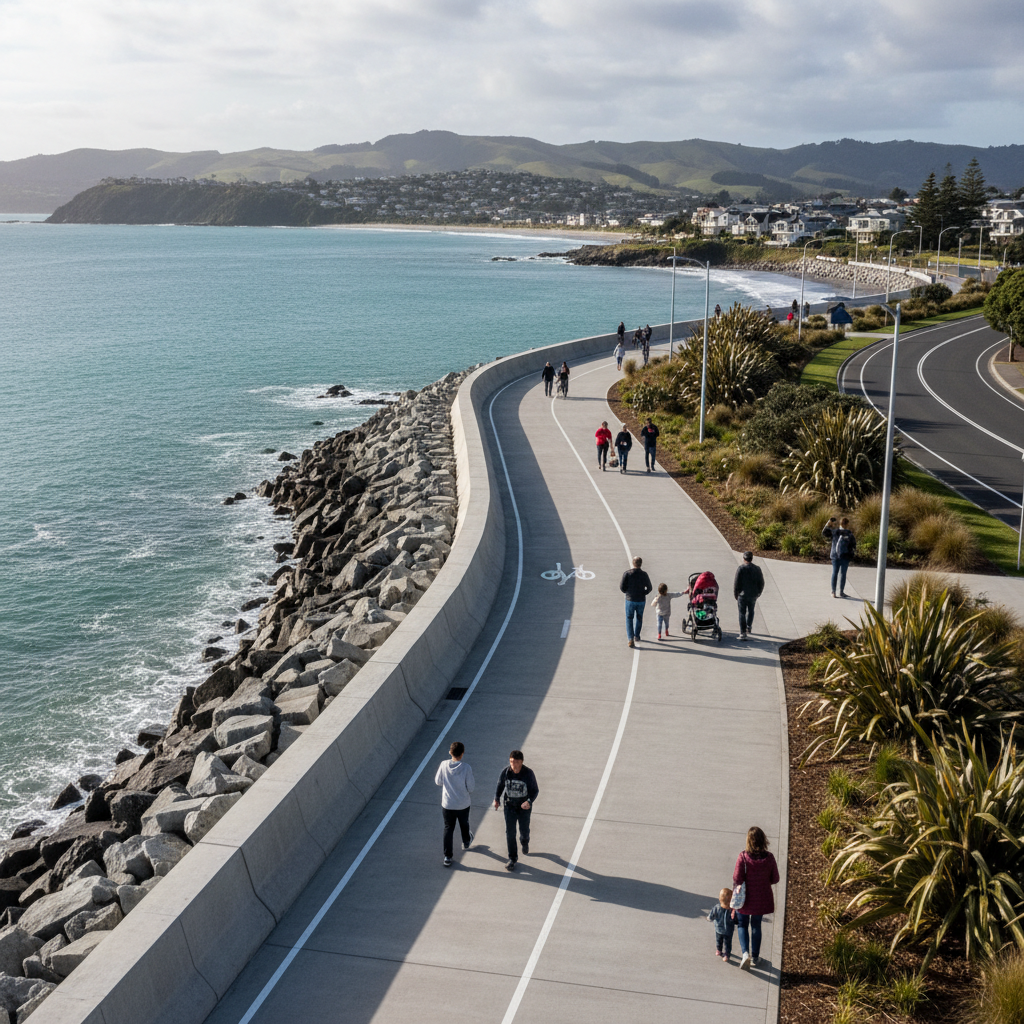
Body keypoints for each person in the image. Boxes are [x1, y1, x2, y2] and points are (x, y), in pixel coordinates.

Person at [733, 826, 780, 970]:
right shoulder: (769, 858)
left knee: (742, 924)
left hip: (745, 898)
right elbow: (775, 878)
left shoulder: (743, 857)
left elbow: (737, 878)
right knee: (756, 925)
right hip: (761, 898)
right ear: (763, 840)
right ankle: (755, 957)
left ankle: (745, 954)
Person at [493, 749, 539, 872]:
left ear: (522, 762)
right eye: (511, 761)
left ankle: (525, 841)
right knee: (510, 833)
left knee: (523, 831)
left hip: (523, 808)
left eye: (516, 762)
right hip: (509, 807)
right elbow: (500, 785)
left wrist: (529, 802)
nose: (513, 764)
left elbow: (535, 790)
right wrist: (496, 798)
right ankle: (512, 859)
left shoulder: (528, 773)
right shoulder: (506, 772)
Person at [434, 741, 475, 867]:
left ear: (450, 752)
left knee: (448, 828)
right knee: (464, 823)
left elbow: (438, 781)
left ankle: (447, 856)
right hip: (463, 804)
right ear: (462, 754)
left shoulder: (443, 764)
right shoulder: (466, 768)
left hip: (447, 804)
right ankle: (466, 841)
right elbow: (471, 788)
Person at [620, 555, 653, 648]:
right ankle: (637, 635)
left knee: (629, 618)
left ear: (633, 563)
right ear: (641, 564)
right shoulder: (644, 574)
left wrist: (628, 592)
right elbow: (649, 587)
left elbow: (622, 587)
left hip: (630, 599)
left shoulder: (627, 574)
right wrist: (643, 593)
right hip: (641, 600)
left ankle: (630, 639)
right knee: (639, 617)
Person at [822, 516, 856, 598]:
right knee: (843, 574)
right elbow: (853, 545)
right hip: (845, 556)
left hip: (835, 555)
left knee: (835, 573)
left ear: (840, 523)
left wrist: (828, 523)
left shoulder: (835, 532)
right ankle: (841, 592)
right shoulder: (849, 533)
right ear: (847, 524)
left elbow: (824, 533)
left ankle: (833, 592)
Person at [734, 551, 764, 640]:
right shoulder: (757, 569)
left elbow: (736, 583)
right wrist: (759, 592)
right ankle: (749, 626)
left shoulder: (741, 569)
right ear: (752, 558)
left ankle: (743, 632)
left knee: (742, 613)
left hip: (742, 595)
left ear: (744, 559)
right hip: (753, 594)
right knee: (751, 610)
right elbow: (761, 582)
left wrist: (736, 594)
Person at [707, 888, 736, 962]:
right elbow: (735, 919)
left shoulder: (717, 907)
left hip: (718, 929)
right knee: (727, 943)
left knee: (718, 940)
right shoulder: (732, 910)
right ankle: (727, 954)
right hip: (728, 930)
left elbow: (712, 915)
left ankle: (719, 950)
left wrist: (709, 918)